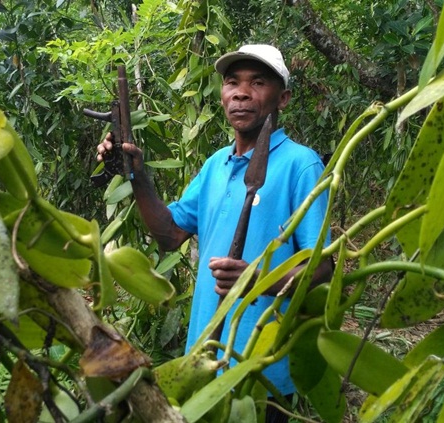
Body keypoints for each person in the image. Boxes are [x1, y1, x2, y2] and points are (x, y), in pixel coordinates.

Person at [97, 44, 333, 422]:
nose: (241, 92)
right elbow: (170, 235)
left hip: (260, 365)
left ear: (283, 98)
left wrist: (256, 282)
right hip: (204, 358)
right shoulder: (214, 166)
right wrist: (137, 175)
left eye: (258, 82)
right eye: (232, 82)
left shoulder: (299, 164)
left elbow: (323, 267)